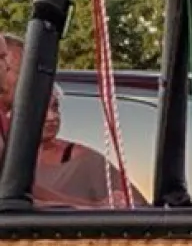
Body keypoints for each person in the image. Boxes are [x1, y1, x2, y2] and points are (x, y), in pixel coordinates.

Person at [7, 86, 146, 208]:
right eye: (41, 108)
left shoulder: (84, 159)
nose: (52, 117)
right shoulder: (8, 157)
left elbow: (137, 207)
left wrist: (113, 203)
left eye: (55, 107)